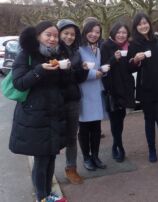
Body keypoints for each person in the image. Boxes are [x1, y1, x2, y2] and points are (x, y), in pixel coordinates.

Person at [9, 21, 67, 202]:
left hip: (53, 114)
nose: (52, 39)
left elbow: (58, 86)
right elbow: (19, 83)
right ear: (38, 36)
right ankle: (42, 196)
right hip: (35, 116)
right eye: (48, 35)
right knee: (41, 160)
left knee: (51, 156)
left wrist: (66, 70)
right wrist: (39, 70)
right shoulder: (26, 55)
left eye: (55, 36)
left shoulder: (56, 54)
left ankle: (48, 193)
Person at [128, 13, 158, 163]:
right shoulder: (134, 44)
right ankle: (152, 150)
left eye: (145, 23)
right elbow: (131, 67)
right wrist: (136, 60)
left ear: (149, 24)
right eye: (139, 24)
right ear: (136, 27)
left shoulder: (156, 39)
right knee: (149, 120)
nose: (143, 26)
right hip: (146, 87)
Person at [57, 19, 88, 184]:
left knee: (71, 136)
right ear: (59, 33)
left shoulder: (75, 52)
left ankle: (71, 168)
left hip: (73, 99)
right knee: (52, 135)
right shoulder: (52, 51)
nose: (69, 37)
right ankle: (46, 171)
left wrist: (83, 70)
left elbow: (78, 79)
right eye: (66, 33)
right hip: (55, 101)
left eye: (72, 34)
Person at [101, 22, 135, 162]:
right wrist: (114, 59)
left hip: (125, 89)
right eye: (119, 32)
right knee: (115, 121)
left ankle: (117, 144)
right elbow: (104, 68)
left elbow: (130, 70)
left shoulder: (129, 47)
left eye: (124, 33)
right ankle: (118, 146)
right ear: (113, 33)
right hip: (112, 89)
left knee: (120, 120)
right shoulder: (106, 46)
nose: (121, 35)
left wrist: (136, 62)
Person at [78, 20, 108, 171]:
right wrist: (92, 73)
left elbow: (98, 68)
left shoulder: (98, 48)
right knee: (84, 128)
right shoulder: (78, 48)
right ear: (85, 31)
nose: (94, 34)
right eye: (91, 31)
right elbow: (77, 71)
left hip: (96, 92)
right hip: (84, 92)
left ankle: (95, 156)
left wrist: (103, 70)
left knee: (96, 127)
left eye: (97, 32)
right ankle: (86, 157)